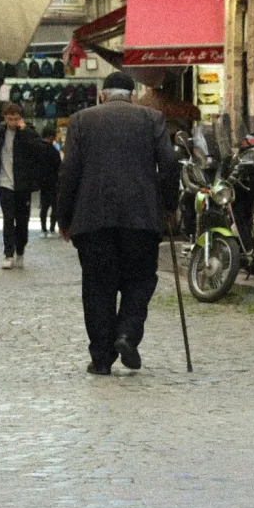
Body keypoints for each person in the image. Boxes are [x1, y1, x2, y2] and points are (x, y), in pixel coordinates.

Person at [57, 71, 178, 376]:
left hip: (93, 217)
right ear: (132, 96)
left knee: (98, 287)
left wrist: (64, 217)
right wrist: (169, 206)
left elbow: (69, 172)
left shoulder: (81, 120)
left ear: (102, 95)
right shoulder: (152, 119)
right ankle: (127, 333)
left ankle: (101, 359)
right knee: (140, 279)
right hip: (141, 217)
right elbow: (169, 164)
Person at [0, 102, 48, 269]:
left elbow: (40, 151)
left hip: (23, 184)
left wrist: (25, 132)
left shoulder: (28, 132)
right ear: (5, 118)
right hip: (5, 182)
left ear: (20, 118)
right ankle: (8, 253)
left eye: (16, 119)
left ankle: (20, 250)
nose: (12, 122)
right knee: (8, 219)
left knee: (22, 221)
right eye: (10, 119)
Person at [37, 129, 62, 237]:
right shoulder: (54, 151)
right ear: (51, 137)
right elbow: (59, 167)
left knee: (44, 206)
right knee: (54, 206)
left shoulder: (38, 149)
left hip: (43, 183)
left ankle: (43, 228)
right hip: (53, 182)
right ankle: (52, 228)